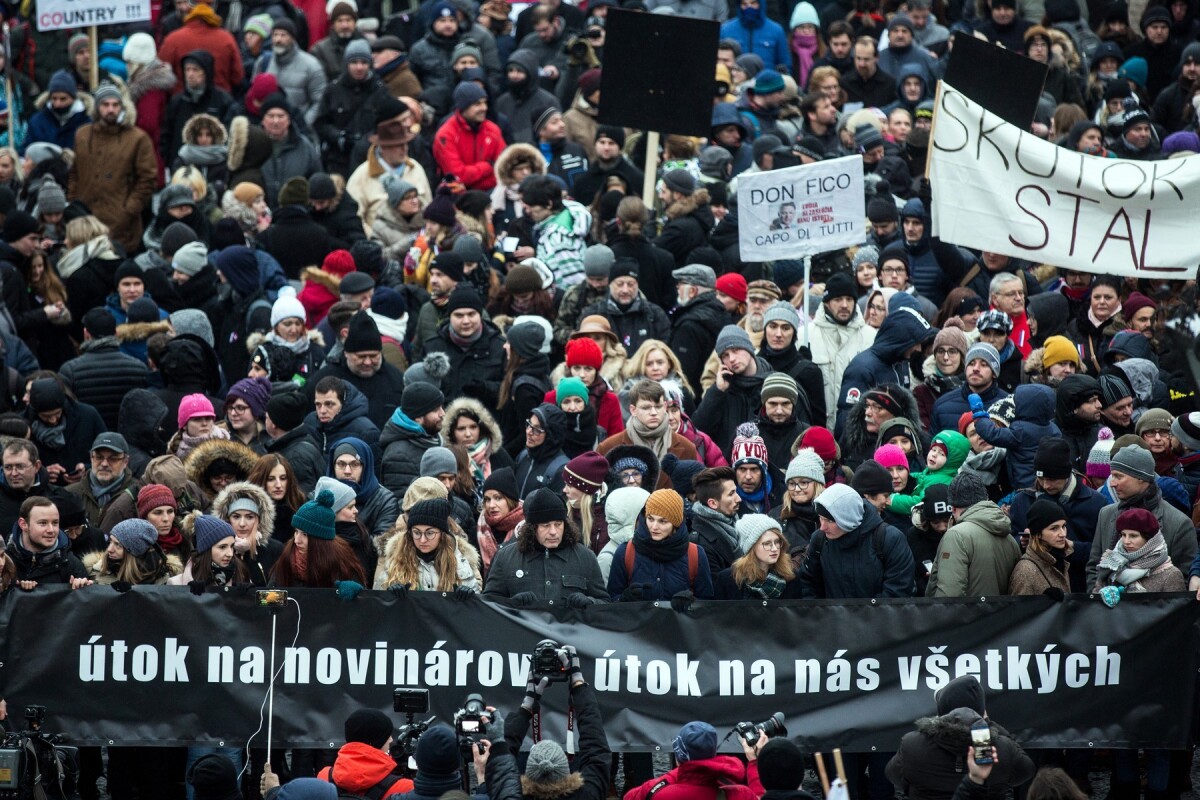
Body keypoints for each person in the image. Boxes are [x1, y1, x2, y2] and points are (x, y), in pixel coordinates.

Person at [485, 647, 609, 800]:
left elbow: (501, 770)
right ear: (566, 770)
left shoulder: (510, 796)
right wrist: (578, 683)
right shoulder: (588, 795)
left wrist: (526, 707)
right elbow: (597, 752)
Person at [886, 676, 1035, 800]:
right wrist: (988, 725)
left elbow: (893, 775)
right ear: (981, 711)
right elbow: (1026, 771)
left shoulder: (912, 745)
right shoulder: (1000, 747)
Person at [67, 83, 157, 254]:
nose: (111, 109)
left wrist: (128, 210)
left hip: (122, 226)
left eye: (115, 105)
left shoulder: (138, 138)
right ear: (97, 107)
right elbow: (74, 173)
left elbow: (147, 179)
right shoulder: (82, 135)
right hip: (85, 220)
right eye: (105, 104)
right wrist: (73, 204)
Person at [482, 487, 608, 605]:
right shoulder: (506, 557)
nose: (553, 532)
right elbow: (489, 604)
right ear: (532, 528)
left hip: (570, 627)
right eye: (545, 525)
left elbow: (605, 603)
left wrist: (590, 602)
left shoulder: (585, 557)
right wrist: (511, 604)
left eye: (558, 524)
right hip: (522, 627)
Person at [798, 482, 914, 598]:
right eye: (821, 518)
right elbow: (808, 583)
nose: (822, 527)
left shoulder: (889, 539)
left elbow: (898, 590)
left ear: (848, 519)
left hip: (879, 615)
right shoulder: (819, 539)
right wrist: (820, 614)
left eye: (829, 521)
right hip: (831, 615)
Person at [607, 488, 713, 601]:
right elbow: (611, 600)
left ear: (675, 524)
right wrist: (623, 600)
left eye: (663, 521)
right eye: (650, 519)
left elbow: (707, 605)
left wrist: (692, 603)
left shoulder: (695, 554)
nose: (654, 527)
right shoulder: (625, 552)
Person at [926, 473, 1020, 597]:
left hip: (969, 616)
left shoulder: (956, 536)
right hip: (1004, 615)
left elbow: (948, 598)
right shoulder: (1010, 539)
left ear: (953, 508)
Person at [58, 308, 150, 430]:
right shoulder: (139, 368)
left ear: (86, 334)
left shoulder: (69, 370)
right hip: (126, 441)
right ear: (116, 333)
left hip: (89, 439)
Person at [625, 721, 759, 800]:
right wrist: (753, 762)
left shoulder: (656, 792)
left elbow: (629, 797)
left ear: (678, 755)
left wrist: (683, 770)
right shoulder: (740, 794)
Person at [377, 498, 481, 593]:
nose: (422, 540)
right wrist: (389, 594)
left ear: (442, 534)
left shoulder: (458, 562)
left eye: (429, 533)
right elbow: (378, 601)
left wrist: (467, 595)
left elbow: (476, 602)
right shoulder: (396, 561)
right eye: (417, 533)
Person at [269, 489, 368, 587]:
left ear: (320, 540)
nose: (296, 540)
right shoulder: (287, 558)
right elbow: (268, 598)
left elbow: (362, 597)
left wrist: (351, 595)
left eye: (305, 534)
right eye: (296, 531)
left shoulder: (342, 563)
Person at [433, 83, 505, 191]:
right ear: (463, 107)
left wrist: (474, 185)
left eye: (485, 103)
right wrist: (487, 166)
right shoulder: (446, 135)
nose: (484, 108)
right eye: (477, 104)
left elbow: (503, 169)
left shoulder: (493, 130)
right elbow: (457, 176)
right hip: (457, 197)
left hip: (491, 193)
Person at [210, 481, 284, 586]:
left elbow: (280, 593)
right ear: (227, 519)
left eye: (249, 517)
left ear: (259, 520)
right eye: (236, 516)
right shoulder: (216, 550)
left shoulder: (275, 550)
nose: (242, 524)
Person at [6, 496, 91, 587]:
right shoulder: (5, 560)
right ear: (23, 524)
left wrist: (82, 588)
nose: (51, 530)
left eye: (55, 523)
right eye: (43, 523)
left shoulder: (69, 564)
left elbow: (89, 599)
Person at [380, 382, 446, 497]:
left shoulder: (433, 439)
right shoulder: (398, 456)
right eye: (436, 410)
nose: (442, 414)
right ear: (418, 418)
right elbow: (401, 502)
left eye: (441, 407)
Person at [329, 437, 399, 540]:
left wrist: (350, 532)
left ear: (365, 467)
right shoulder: (318, 497)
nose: (347, 471)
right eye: (341, 464)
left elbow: (382, 545)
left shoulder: (384, 501)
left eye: (355, 464)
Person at [714, 514, 800, 599]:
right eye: (767, 544)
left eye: (777, 542)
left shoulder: (790, 576)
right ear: (751, 547)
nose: (774, 548)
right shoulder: (729, 579)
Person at [67, 432, 137, 527]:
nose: (104, 464)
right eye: (99, 457)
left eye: (113, 458)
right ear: (91, 458)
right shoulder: (70, 494)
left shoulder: (137, 494)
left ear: (125, 462)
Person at [1008, 499, 1072, 596]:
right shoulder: (1026, 571)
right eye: (1054, 528)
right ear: (1038, 534)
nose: (1062, 534)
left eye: (1063, 526)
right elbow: (1019, 610)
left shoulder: (1061, 559)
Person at [167, 514, 250, 587]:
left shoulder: (241, 576)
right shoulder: (176, 584)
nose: (230, 554)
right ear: (206, 549)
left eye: (232, 546)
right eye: (222, 547)